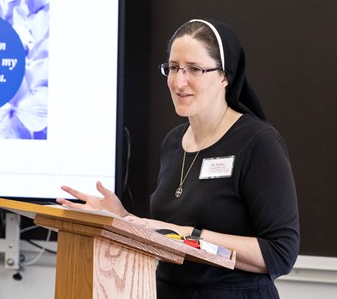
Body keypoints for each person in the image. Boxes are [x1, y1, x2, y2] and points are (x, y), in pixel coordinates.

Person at [57, 18, 300, 298]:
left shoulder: (257, 141)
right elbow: (166, 234)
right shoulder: (173, 142)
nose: (178, 81)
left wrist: (188, 235)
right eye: (173, 68)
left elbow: (281, 253)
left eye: (194, 69)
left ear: (225, 76)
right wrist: (123, 219)